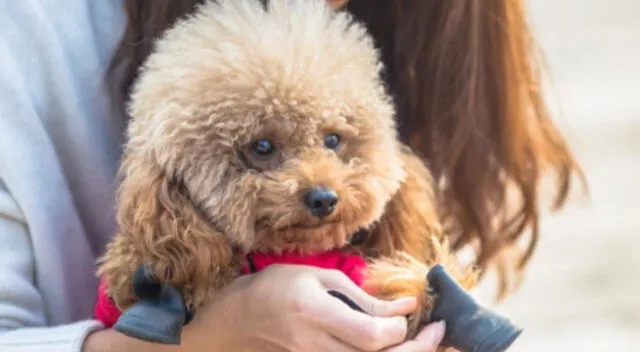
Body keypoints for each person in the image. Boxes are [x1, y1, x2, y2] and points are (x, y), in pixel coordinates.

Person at [0, 0, 584, 351]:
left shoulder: (429, 45)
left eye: (333, 142)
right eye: (261, 149)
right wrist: (205, 343)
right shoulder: (31, 37)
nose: (319, 183)